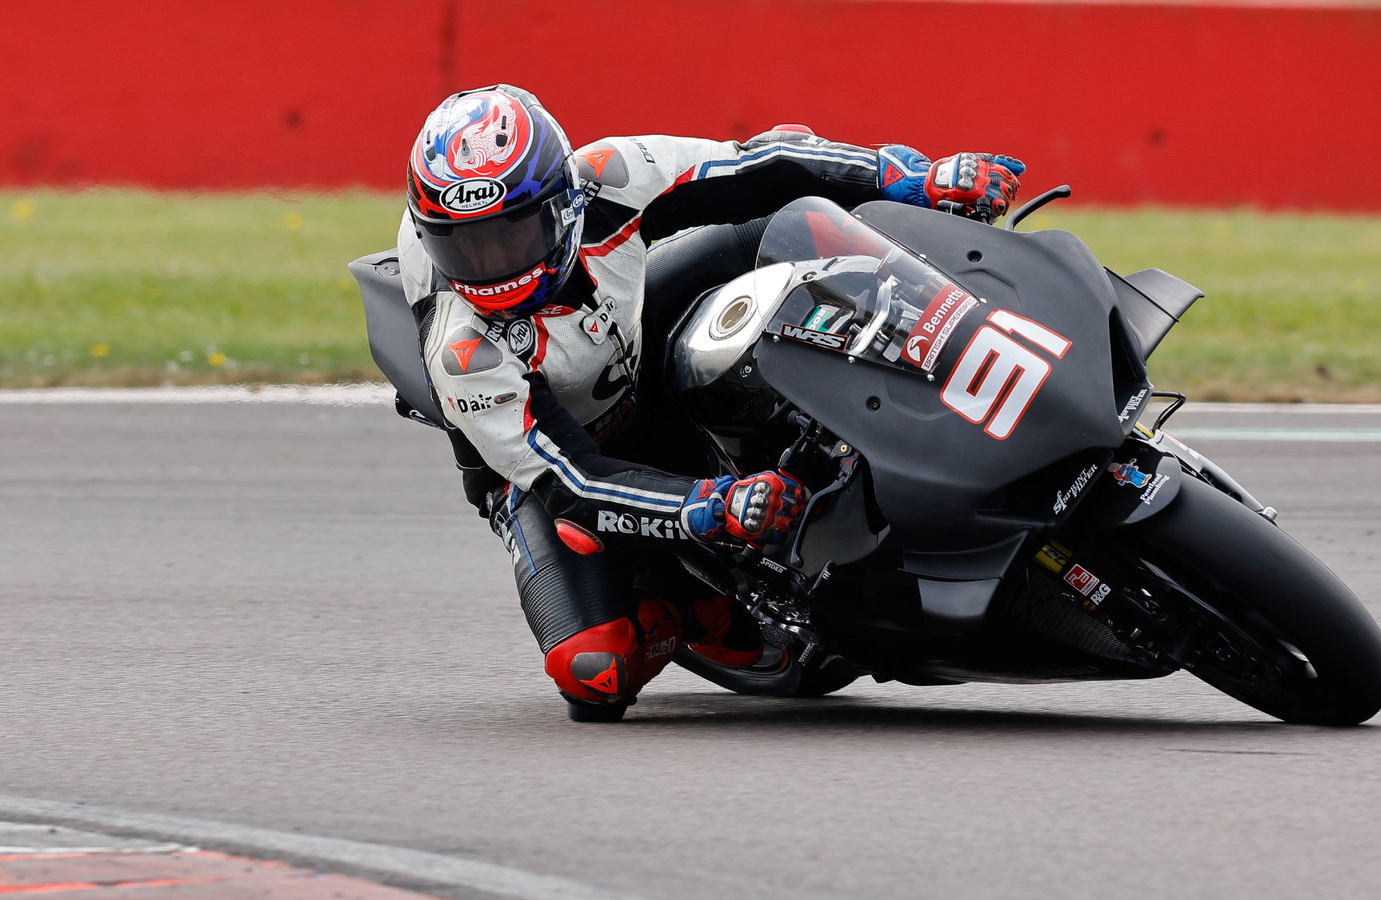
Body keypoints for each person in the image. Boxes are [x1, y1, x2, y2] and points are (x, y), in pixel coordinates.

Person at [395, 84, 1023, 720]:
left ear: (564, 204)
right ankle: (690, 610)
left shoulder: (609, 175)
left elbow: (753, 165)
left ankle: (957, 326)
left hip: (632, 343)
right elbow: (577, 482)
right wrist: (711, 506)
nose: (493, 267)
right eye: (463, 246)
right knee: (593, 668)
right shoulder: (465, 354)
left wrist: (910, 175)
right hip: (544, 470)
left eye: (512, 236)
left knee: (794, 219)